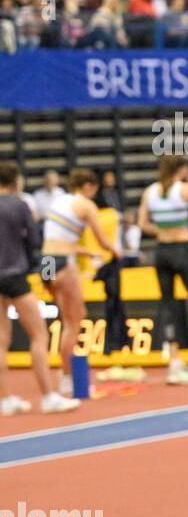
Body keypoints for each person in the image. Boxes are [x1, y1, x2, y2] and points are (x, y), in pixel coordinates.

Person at [0, 162, 79, 414]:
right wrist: (46, 276)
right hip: (14, 276)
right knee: (39, 335)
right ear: (15, 181)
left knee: (1, 340)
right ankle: (48, 396)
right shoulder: (20, 204)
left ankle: (5, 399)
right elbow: (36, 243)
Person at [39, 169, 120, 393]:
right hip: (64, 262)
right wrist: (116, 251)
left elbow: (59, 240)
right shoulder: (86, 205)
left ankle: (64, 373)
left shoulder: (58, 200)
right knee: (75, 320)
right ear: (87, 187)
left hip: (46, 261)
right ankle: (67, 377)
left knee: (67, 318)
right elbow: (103, 240)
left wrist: (86, 253)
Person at [138, 156, 188, 361]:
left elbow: (142, 224)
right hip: (181, 249)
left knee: (168, 303)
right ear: (181, 169)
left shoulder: (151, 191)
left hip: (162, 251)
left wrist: (162, 230)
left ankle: (174, 358)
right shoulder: (184, 189)